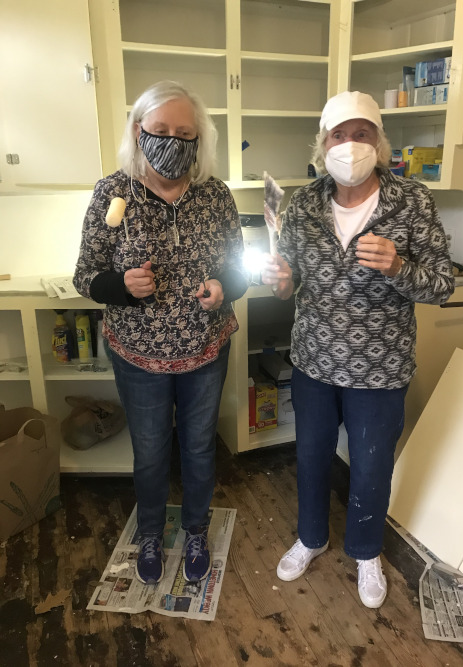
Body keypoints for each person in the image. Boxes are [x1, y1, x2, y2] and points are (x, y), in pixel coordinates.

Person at [261, 90, 454, 608]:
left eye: (361, 134)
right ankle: (310, 537)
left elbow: (440, 286)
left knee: (371, 466)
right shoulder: (301, 204)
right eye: (338, 135)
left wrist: (397, 266)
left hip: (381, 367)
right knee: (311, 457)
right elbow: (293, 281)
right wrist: (281, 281)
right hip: (315, 361)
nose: (350, 145)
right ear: (322, 144)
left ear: (379, 143)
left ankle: (367, 551)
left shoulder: (410, 202)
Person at [73, 80, 247, 585]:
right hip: (139, 355)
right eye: (161, 130)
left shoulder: (215, 195)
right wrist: (122, 285)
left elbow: (239, 268)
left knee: (197, 447)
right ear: (138, 130)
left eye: (184, 132)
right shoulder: (114, 191)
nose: (173, 141)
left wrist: (224, 287)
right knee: (149, 451)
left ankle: (195, 529)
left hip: (205, 349)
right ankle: (150, 532)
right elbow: (86, 275)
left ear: (200, 139)